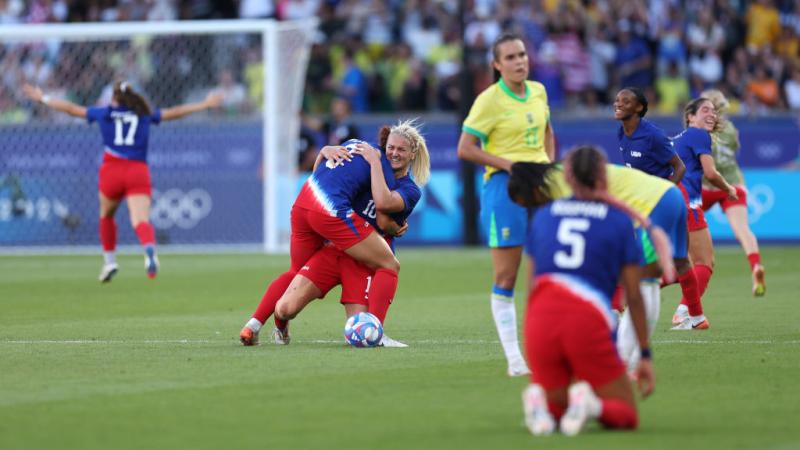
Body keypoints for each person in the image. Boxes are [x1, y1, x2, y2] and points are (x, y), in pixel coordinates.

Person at [515, 146, 665, 436]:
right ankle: (590, 405)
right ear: (603, 176)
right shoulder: (618, 220)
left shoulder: (543, 216)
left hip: (541, 320)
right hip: (586, 319)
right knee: (625, 414)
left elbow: (531, 287)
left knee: (558, 406)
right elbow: (634, 296)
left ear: (567, 177)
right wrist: (645, 354)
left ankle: (541, 405)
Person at [239, 121, 428, 345]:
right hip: (334, 249)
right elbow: (328, 177)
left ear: (413, 153)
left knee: (360, 329)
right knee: (286, 307)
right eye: (391, 148)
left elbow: (383, 218)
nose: (394, 153)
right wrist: (324, 152)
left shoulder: (409, 189)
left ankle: (377, 331)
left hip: (361, 261)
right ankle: (272, 323)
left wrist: (375, 165)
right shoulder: (368, 162)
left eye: (401, 150)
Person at [22, 81, 222, 282]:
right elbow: (175, 112)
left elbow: (72, 109)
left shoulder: (105, 113)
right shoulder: (144, 114)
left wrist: (43, 98)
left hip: (112, 171)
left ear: (114, 99)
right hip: (137, 171)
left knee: (106, 216)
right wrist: (204, 104)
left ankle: (110, 262)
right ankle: (149, 250)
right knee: (140, 220)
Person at [457, 33, 555, 377]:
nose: (519, 61)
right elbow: (465, 148)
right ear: (497, 65)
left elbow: (548, 131)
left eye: (522, 54)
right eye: (511, 57)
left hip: (542, 186)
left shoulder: (539, 91)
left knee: (549, 270)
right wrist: (509, 165)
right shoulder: (489, 100)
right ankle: (515, 358)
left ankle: (548, 349)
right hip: (505, 188)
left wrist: (547, 164)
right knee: (507, 274)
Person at [670, 97, 738, 329]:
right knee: (704, 263)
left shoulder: (675, 140)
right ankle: (685, 313)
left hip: (668, 203)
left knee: (679, 265)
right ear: (691, 117)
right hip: (687, 203)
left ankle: (623, 297)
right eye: (705, 110)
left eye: (714, 111)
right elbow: (710, 172)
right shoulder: (699, 135)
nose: (712, 114)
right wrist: (728, 188)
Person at [700, 89, 766, 297]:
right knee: (742, 230)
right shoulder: (731, 130)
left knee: (684, 226)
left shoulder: (699, 129)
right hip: (733, 183)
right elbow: (735, 150)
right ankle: (755, 265)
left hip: (705, 186)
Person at [614, 87, 685, 184]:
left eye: (626, 102)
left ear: (639, 107)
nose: (618, 104)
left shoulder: (653, 135)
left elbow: (680, 167)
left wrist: (666, 191)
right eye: (617, 100)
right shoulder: (621, 131)